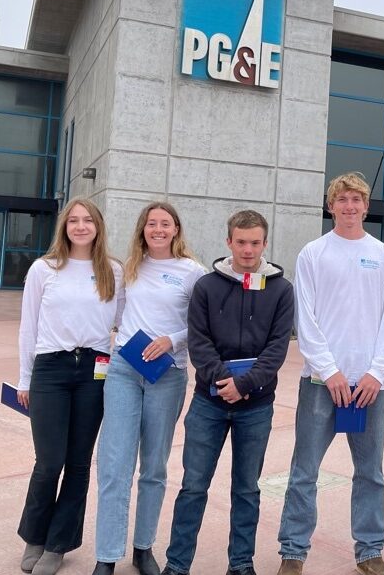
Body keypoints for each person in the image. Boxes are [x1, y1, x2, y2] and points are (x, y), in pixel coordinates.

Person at [276, 173, 384, 575]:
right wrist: (329, 371)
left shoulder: (383, 256)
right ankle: (293, 553)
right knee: (303, 473)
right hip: (320, 385)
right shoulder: (313, 253)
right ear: (331, 206)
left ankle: (369, 552)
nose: (349, 206)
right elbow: (305, 318)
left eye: (356, 199)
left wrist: (376, 373)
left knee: (370, 473)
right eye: (342, 199)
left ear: (366, 206)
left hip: (368, 387)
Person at [162, 210, 294, 575]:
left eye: (255, 242)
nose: (248, 250)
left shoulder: (281, 290)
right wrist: (225, 383)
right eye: (241, 242)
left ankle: (240, 565)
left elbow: (277, 347)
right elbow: (199, 342)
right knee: (192, 487)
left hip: (256, 406)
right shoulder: (206, 286)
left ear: (265, 244)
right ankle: (177, 565)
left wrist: (245, 384)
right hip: (209, 402)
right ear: (228, 243)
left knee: (247, 490)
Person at [92, 202, 206, 575]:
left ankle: (143, 547)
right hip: (125, 368)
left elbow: (202, 326)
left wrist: (171, 339)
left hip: (167, 373)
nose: (158, 229)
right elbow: (118, 314)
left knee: (154, 466)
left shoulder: (192, 273)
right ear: (143, 229)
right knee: (114, 464)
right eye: (151, 224)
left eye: (165, 224)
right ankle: (107, 554)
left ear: (176, 230)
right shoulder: (131, 269)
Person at [16, 198, 124, 575]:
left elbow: (125, 324)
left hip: (95, 369)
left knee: (78, 464)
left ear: (98, 227)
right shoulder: (44, 269)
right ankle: (35, 535)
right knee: (49, 462)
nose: (80, 226)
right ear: (64, 226)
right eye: (74, 220)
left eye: (88, 220)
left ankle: (59, 544)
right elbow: (28, 327)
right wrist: (24, 378)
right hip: (51, 368)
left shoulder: (113, 271)